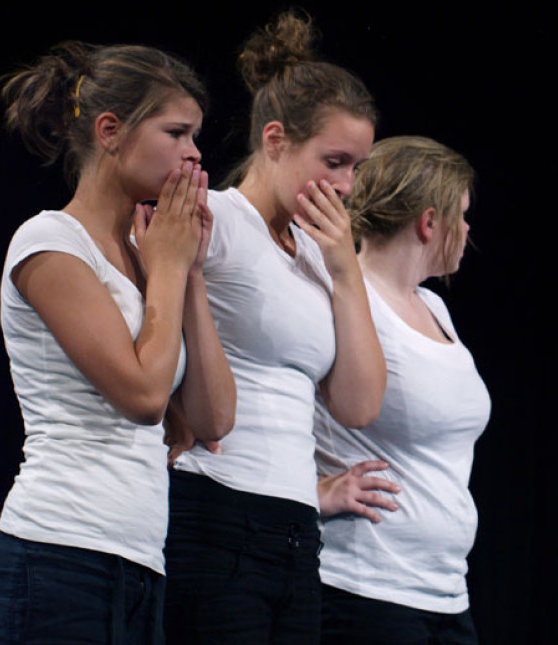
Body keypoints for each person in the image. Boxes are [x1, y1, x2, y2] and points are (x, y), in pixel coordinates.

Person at [0, 41, 235, 644]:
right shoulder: (49, 241)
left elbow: (213, 417)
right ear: (110, 130)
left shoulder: (149, 256)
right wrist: (170, 268)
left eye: (195, 135)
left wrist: (190, 273)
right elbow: (145, 396)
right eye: (177, 132)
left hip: (139, 561)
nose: (194, 153)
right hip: (58, 553)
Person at [163, 10, 386, 644]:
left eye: (356, 168)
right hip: (215, 507)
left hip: (296, 528)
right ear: (276, 140)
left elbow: (359, 402)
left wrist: (346, 272)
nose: (345, 186)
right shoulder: (215, 218)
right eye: (334, 161)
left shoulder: (322, 255)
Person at [314, 136, 491, 644]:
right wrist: (315, 492)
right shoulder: (348, 297)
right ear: (428, 222)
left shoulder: (435, 307)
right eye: (461, 214)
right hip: (364, 587)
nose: (468, 229)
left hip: (445, 590)